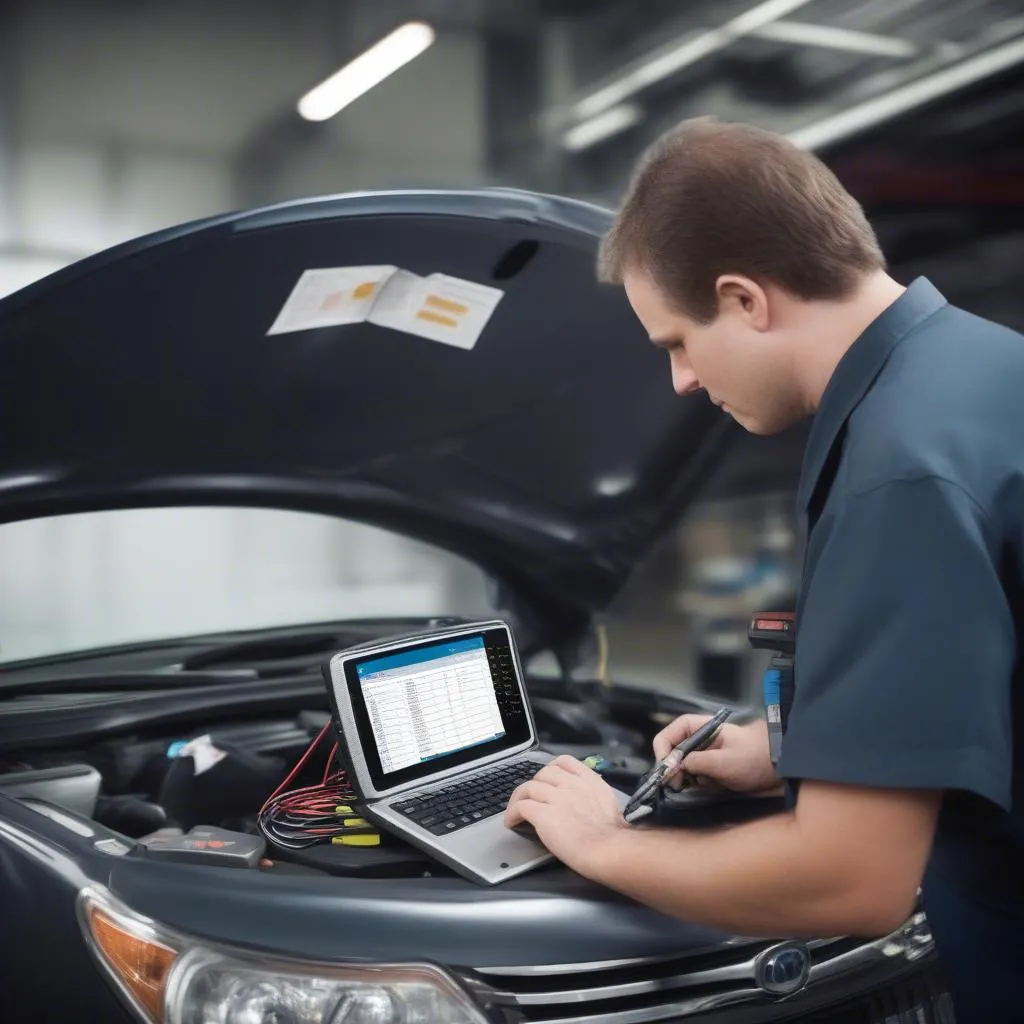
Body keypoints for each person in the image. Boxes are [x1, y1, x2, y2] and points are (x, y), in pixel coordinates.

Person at [504, 117, 1024, 1022]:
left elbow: (848, 883)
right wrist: (800, 754)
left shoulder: (899, 470)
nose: (681, 381)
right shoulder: (987, 368)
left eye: (675, 341)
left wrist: (600, 843)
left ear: (745, 299)